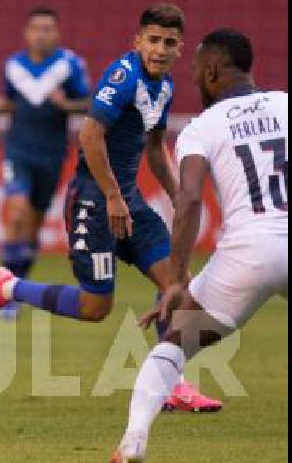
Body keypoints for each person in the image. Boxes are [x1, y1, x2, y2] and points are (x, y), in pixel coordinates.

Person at [0, 3, 221, 412]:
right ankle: (7, 287)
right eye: (153, 40)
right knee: (95, 308)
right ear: (137, 41)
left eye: (169, 42)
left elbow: (156, 147)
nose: (160, 49)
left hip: (128, 201)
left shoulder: (165, 86)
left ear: (181, 48)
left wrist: (176, 193)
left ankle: (172, 384)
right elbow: (90, 135)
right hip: (94, 199)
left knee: (179, 286)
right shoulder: (123, 76)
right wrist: (111, 197)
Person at [110, 29, 288, 462]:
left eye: (195, 69)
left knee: (172, 344)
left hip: (248, 255)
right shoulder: (285, 103)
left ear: (212, 70)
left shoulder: (203, 127)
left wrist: (175, 278)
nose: (192, 77)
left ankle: (133, 440)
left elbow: (188, 200)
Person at [0, 7, 90, 318]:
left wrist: (67, 104)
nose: (42, 34)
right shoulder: (14, 66)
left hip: (52, 155)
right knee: (16, 213)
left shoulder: (69, 65)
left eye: (48, 28)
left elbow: (90, 103)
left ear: (56, 33)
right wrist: (3, 105)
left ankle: (16, 286)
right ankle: (2, 291)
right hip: (18, 151)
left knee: (32, 227)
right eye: (36, 28)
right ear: (26, 33)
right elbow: (10, 99)